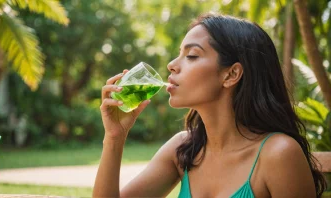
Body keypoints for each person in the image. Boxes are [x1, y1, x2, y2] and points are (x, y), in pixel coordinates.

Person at [93, 12, 326, 198]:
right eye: (179, 55)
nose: (172, 65)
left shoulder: (278, 154)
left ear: (231, 74)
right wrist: (114, 138)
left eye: (191, 56)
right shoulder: (183, 149)